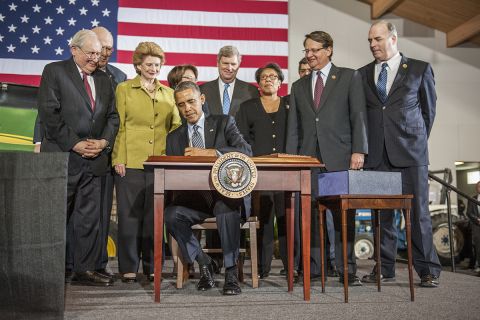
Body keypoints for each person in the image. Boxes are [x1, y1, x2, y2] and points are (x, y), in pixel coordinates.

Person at [358, 20, 441, 287]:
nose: (372, 45)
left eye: (378, 39)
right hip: (377, 156)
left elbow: (428, 113)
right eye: (370, 40)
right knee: (381, 216)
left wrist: (412, 141)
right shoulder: (361, 74)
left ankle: (427, 269)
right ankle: (384, 268)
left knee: (418, 215)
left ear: (393, 39)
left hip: (411, 155)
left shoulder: (419, 69)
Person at [37, 29, 119, 286]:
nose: (96, 58)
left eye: (99, 53)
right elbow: (50, 114)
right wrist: (76, 144)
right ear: (74, 50)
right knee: (56, 216)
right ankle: (50, 270)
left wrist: (104, 142)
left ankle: (84, 270)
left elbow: (113, 117)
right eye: (91, 53)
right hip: (63, 158)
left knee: (87, 219)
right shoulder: (54, 71)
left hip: (94, 160)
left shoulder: (105, 80)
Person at [286, 31, 368, 286]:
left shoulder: (348, 76)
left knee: (344, 216)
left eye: (315, 50)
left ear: (329, 49)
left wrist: (359, 150)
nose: (309, 55)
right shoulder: (299, 86)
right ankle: (313, 269)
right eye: (306, 51)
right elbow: (294, 128)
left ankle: (347, 270)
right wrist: (291, 161)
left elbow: (358, 115)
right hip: (308, 160)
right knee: (309, 215)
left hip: (341, 157)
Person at [165, 81, 252, 295]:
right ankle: (205, 262)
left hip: (225, 196)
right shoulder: (174, 138)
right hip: (195, 201)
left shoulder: (224, 122)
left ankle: (231, 274)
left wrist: (212, 153)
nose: (187, 109)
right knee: (171, 214)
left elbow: (245, 150)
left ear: (202, 99)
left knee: (227, 208)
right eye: (181, 104)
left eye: (191, 101)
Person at [112, 42, 182, 283]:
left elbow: (176, 126)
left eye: (158, 64)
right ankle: (128, 267)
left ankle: (153, 265)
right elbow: (118, 125)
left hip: (159, 163)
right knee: (129, 217)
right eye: (149, 64)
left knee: (154, 219)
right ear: (138, 65)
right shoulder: (123, 89)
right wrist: (118, 157)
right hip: (129, 161)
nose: (154, 68)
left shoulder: (169, 94)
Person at [200, 45, 259, 270]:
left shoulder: (250, 91)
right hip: (211, 158)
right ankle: (214, 264)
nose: (229, 68)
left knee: (235, 208)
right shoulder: (204, 90)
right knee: (216, 206)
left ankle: (235, 262)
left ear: (239, 64)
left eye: (234, 64)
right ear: (218, 63)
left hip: (240, 160)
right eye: (225, 63)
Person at [235, 63, 296, 278]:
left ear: (280, 82)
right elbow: (241, 138)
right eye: (263, 77)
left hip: (287, 171)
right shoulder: (248, 107)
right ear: (258, 84)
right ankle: (261, 268)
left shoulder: (291, 104)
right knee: (263, 221)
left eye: (273, 76)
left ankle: (292, 268)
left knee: (287, 218)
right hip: (259, 172)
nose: (268, 79)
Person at [91, 26, 127, 279]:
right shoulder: (75, 73)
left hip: (110, 154)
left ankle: (100, 264)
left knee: (104, 213)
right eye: (102, 48)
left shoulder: (120, 76)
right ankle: (73, 263)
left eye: (109, 49)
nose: (105, 53)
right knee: (82, 213)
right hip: (81, 151)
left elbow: (121, 118)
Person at [467, 181, 480, 276]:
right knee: (478, 248)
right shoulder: (472, 199)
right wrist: (477, 220)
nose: (479, 188)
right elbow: (469, 213)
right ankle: (479, 265)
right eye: (478, 187)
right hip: (477, 226)